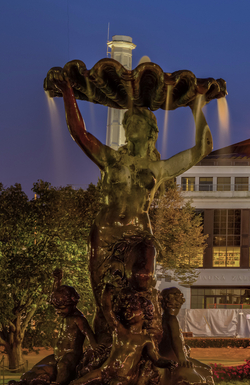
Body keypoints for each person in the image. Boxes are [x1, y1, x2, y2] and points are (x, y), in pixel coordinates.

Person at [49, 72, 214, 343]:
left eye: (137, 121)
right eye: (128, 122)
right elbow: (79, 133)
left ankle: (146, 337)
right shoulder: (111, 159)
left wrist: (197, 106)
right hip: (105, 231)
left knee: (144, 280)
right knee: (105, 292)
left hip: (140, 232)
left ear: (151, 130)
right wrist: (68, 92)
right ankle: (106, 344)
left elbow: (203, 148)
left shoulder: (159, 168)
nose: (130, 126)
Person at [42, 292, 176, 385]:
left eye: (134, 309)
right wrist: (107, 291)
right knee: (76, 384)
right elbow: (107, 310)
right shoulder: (119, 330)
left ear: (145, 314)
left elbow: (156, 359)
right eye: (127, 309)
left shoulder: (146, 340)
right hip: (105, 370)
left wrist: (168, 363)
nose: (128, 312)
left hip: (124, 377)